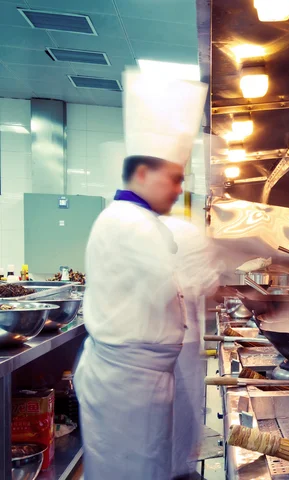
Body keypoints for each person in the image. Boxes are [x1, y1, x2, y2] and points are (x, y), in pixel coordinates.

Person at [74, 69, 207, 479]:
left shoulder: (139, 220)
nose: (177, 189)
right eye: (173, 179)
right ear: (144, 174)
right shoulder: (128, 223)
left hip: (136, 382)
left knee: (145, 468)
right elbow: (178, 277)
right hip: (125, 386)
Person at [161, 216, 219, 478]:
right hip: (181, 339)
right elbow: (209, 284)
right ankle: (179, 470)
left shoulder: (140, 229)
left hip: (144, 342)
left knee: (159, 415)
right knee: (181, 411)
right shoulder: (191, 234)